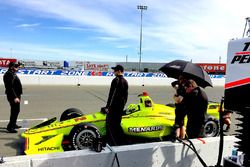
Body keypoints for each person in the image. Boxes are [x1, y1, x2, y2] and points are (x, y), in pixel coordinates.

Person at [105, 65, 128, 146]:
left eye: (114, 70)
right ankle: (121, 141)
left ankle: (111, 142)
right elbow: (126, 97)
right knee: (117, 124)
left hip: (113, 107)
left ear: (119, 71)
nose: (113, 72)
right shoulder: (125, 81)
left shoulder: (116, 80)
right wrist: (122, 106)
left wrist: (108, 107)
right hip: (120, 107)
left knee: (110, 125)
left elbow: (112, 95)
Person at [3, 62, 23, 133]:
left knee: (17, 110)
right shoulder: (8, 74)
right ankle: (10, 127)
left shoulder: (12, 73)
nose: (18, 68)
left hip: (16, 95)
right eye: (16, 67)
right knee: (14, 111)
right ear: (12, 67)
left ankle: (13, 124)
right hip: (12, 96)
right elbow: (9, 88)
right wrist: (15, 97)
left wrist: (18, 96)